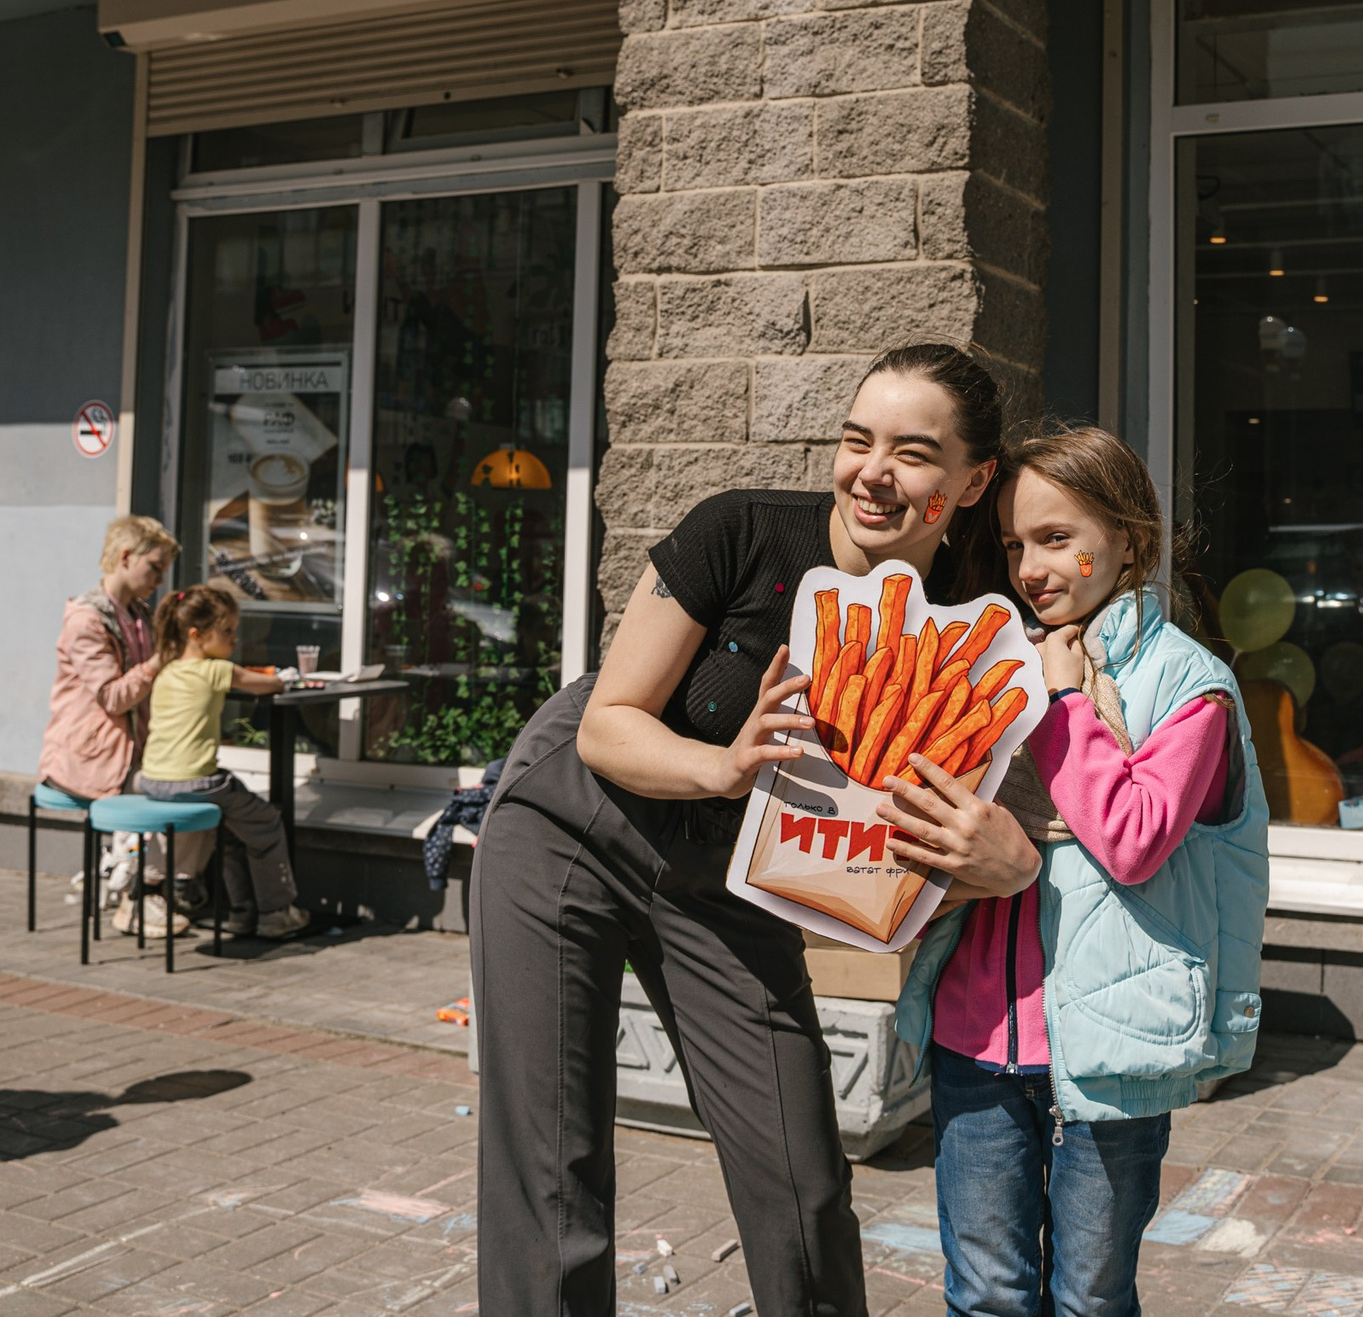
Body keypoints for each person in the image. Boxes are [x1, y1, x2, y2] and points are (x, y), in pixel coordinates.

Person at [470, 343, 1044, 1317]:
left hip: (730, 885)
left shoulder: (966, 627)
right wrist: (724, 768)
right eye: (857, 439)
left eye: (912, 453)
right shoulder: (739, 532)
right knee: (553, 1168)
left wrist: (1011, 863)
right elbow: (612, 724)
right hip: (572, 829)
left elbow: (958, 825)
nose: (873, 471)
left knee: (801, 1183)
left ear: (972, 479)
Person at [881, 424, 1269, 1316]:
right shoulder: (990, 663)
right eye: (1016, 543)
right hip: (974, 1035)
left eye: (1056, 539)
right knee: (985, 1292)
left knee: (1091, 1297)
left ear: (1129, 539)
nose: (1030, 568)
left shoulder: (1189, 686)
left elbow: (1131, 838)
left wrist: (1060, 703)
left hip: (1110, 1053)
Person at [141, 584, 312, 941]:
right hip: (196, 783)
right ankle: (276, 912)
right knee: (265, 823)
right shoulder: (216, 670)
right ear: (197, 635)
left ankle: (241, 910)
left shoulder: (167, 671)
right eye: (228, 631)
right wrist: (286, 678)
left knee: (235, 828)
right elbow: (269, 686)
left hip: (153, 780)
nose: (235, 639)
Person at [42, 515, 178, 934]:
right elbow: (115, 697)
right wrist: (160, 661)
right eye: (154, 568)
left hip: (128, 752)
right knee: (172, 797)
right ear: (125, 557)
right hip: (88, 759)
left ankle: (158, 887)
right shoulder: (87, 620)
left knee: (194, 786)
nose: (159, 579)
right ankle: (139, 900)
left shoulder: (137, 614)